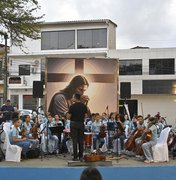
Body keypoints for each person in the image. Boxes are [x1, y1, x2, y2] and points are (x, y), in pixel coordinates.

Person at [68, 93, 87, 161]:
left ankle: (75, 157)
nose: (72, 99)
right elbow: (85, 116)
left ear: (75, 98)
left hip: (74, 124)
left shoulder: (72, 106)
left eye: (73, 97)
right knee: (81, 141)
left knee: (74, 140)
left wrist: (67, 115)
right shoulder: (84, 106)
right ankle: (81, 156)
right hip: (81, 124)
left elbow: (68, 117)